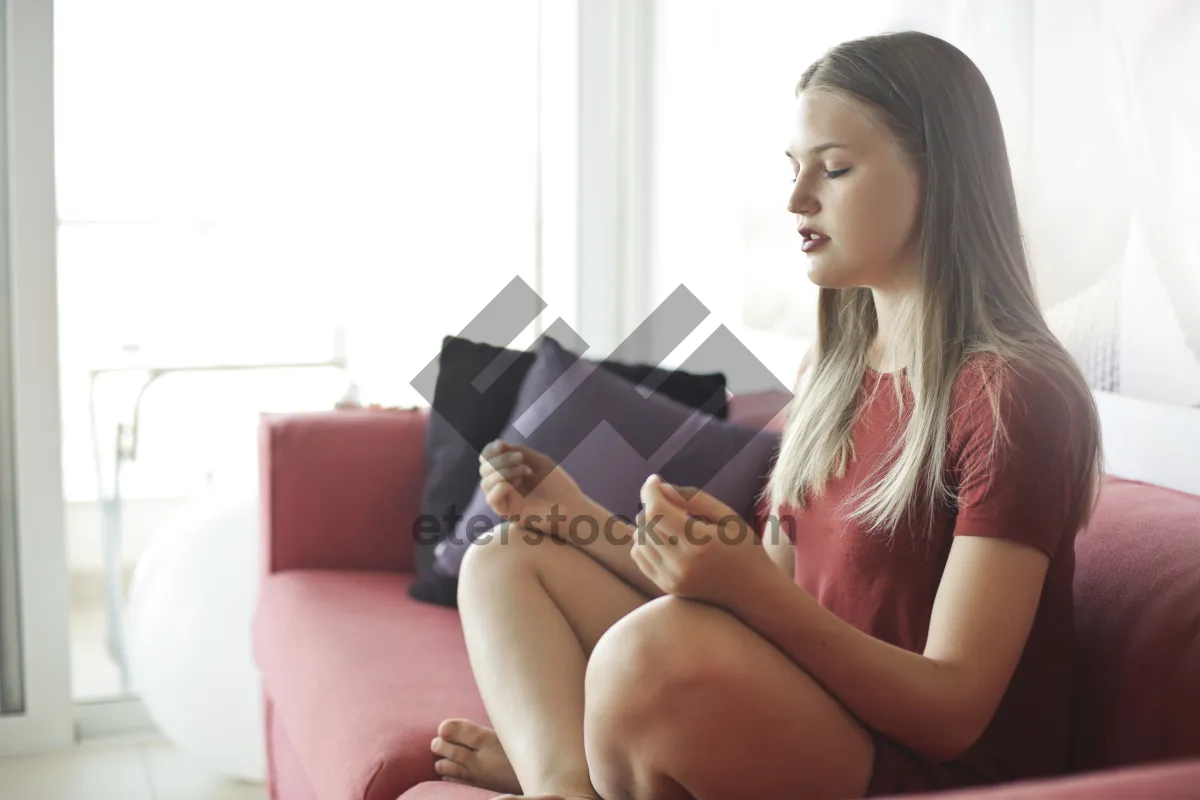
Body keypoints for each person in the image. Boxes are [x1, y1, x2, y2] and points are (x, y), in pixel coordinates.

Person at [429, 30, 1102, 800]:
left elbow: (953, 713)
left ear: (938, 175)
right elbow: (763, 601)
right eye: (795, 171)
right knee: (504, 557)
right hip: (813, 708)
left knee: (647, 657)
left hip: (926, 768)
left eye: (835, 168)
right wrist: (576, 513)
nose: (796, 200)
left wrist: (748, 589)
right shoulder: (833, 373)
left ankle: (557, 766)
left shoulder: (1014, 396)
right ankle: (564, 783)